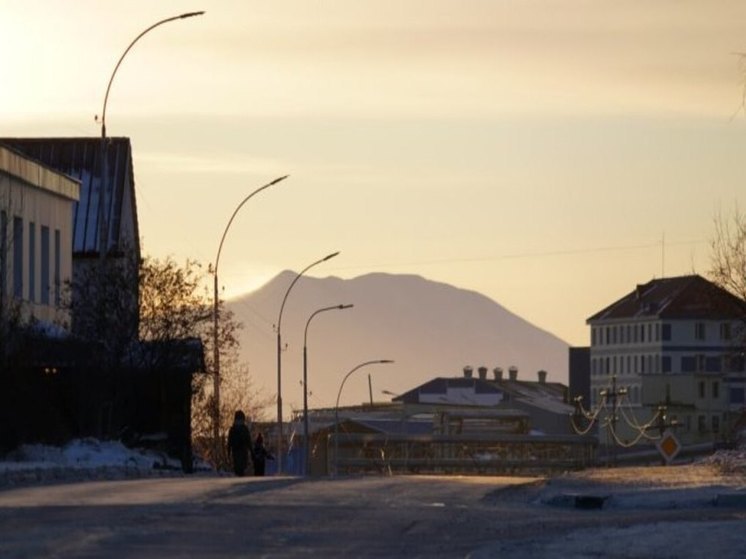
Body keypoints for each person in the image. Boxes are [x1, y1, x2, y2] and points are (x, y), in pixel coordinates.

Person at [227, 410, 251, 476]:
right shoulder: (242, 429)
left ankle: (239, 475)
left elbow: (229, 442)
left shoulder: (235, 429)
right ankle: (239, 475)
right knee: (239, 467)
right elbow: (229, 441)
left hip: (239, 451)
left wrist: (228, 452)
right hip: (239, 451)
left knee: (240, 467)